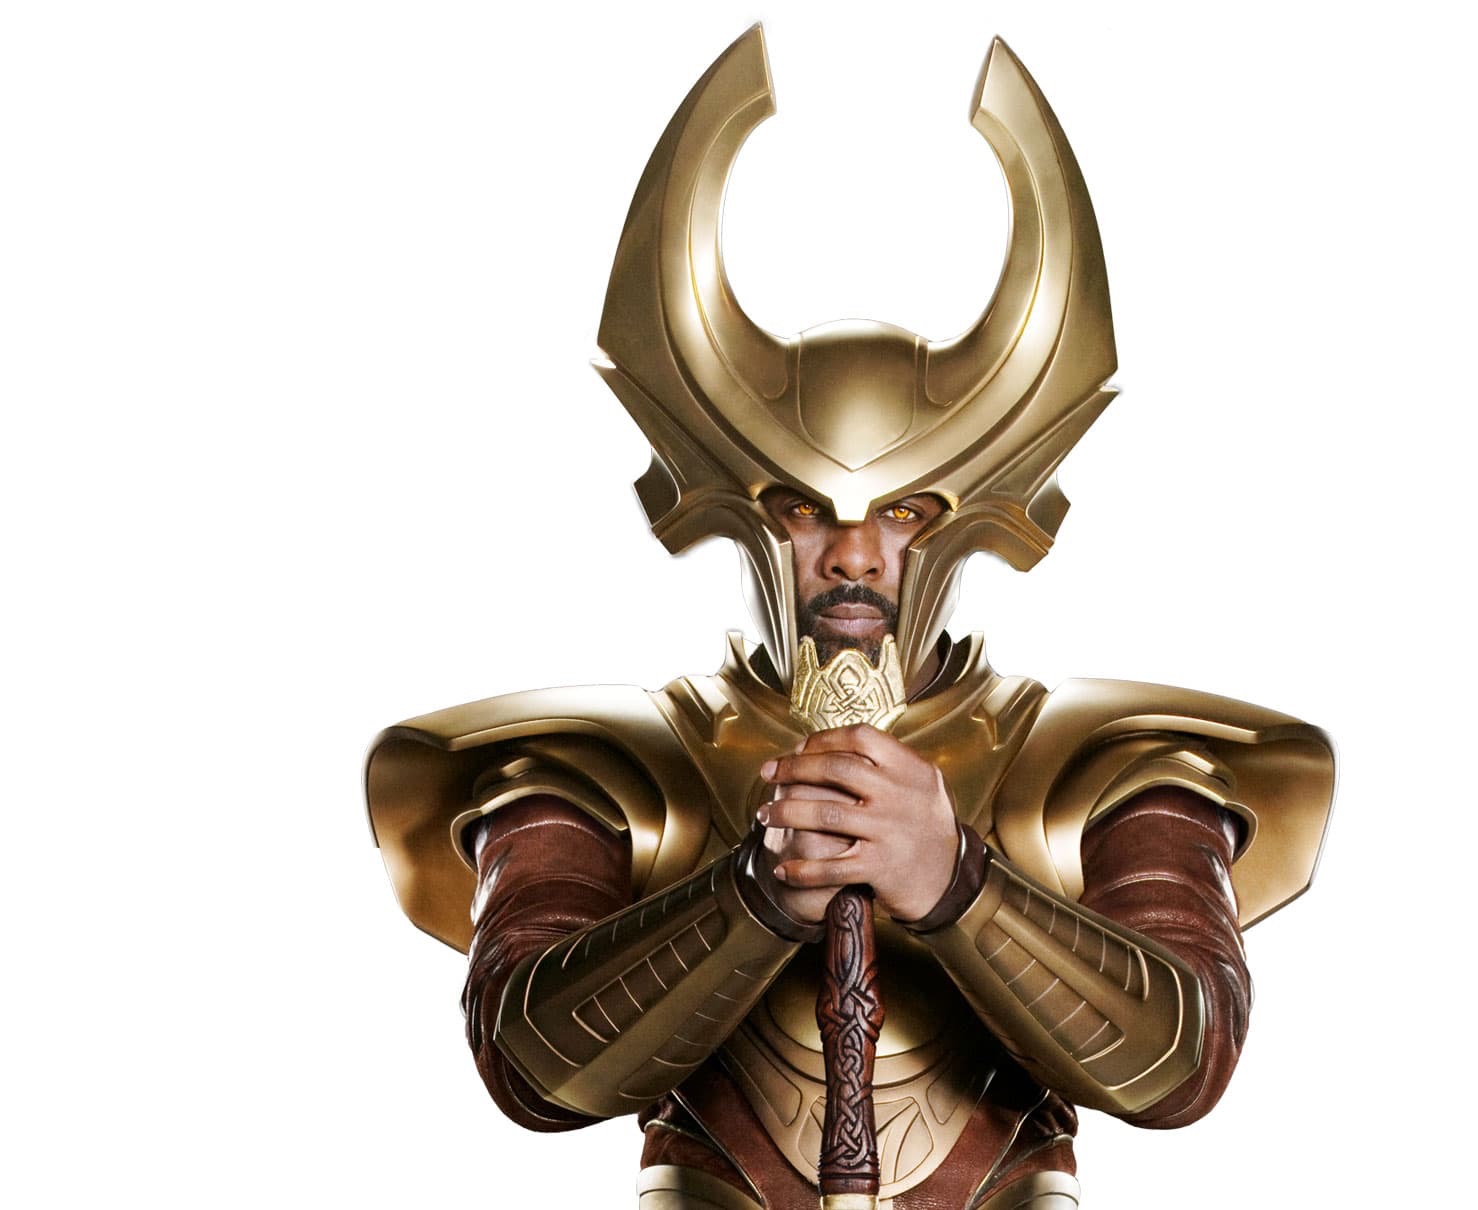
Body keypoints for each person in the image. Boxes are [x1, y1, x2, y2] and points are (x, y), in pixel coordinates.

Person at [366, 27, 1334, 1210]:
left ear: (974, 511)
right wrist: (752, 896)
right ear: (737, 507)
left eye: (905, 511)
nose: (857, 553)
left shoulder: (1086, 762)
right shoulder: (624, 765)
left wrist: (959, 881)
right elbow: (530, 1064)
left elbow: (1185, 1060)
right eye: (804, 509)